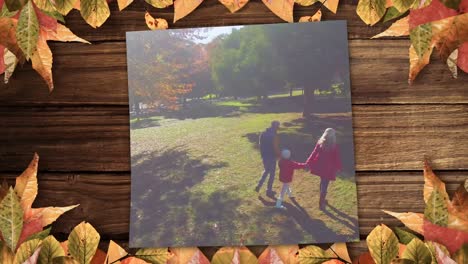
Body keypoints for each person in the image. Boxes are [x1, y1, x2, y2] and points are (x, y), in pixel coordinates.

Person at [306, 128, 342, 210]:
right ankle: (321, 202)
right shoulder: (334, 145)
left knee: (323, 182)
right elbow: (337, 158)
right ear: (333, 136)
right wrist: (338, 167)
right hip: (328, 168)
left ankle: (322, 199)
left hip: (320, 166)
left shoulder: (320, 143)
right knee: (325, 184)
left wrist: (308, 161)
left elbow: (314, 153)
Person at [255, 121, 281, 196]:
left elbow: (260, 145)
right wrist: (279, 156)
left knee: (266, 171)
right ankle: (269, 190)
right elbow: (276, 148)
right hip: (272, 157)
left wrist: (262, 154)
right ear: (276, 127)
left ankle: (259, 186)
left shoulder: (263, 133)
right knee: (272, 174)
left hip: (264, 156)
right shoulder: (274, 135)